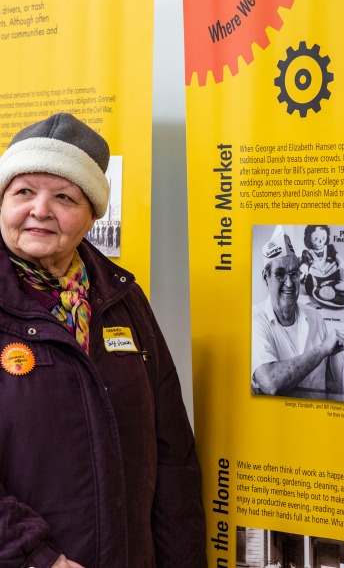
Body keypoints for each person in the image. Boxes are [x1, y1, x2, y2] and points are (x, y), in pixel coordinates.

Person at [0, 113, 206, 567]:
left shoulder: (123, 299)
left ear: (93, 213)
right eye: (24, 192)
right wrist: (36, 558)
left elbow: (171, 456)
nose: (40, 209)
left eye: (64, 197)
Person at [251, 226, 344, 395]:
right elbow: (270, 383)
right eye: (280, 274)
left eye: (294, 274)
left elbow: (328, 384)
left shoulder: (315, 318)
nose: (289, 283)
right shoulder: (254, 319)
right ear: (265, 278)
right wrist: (323, 349)